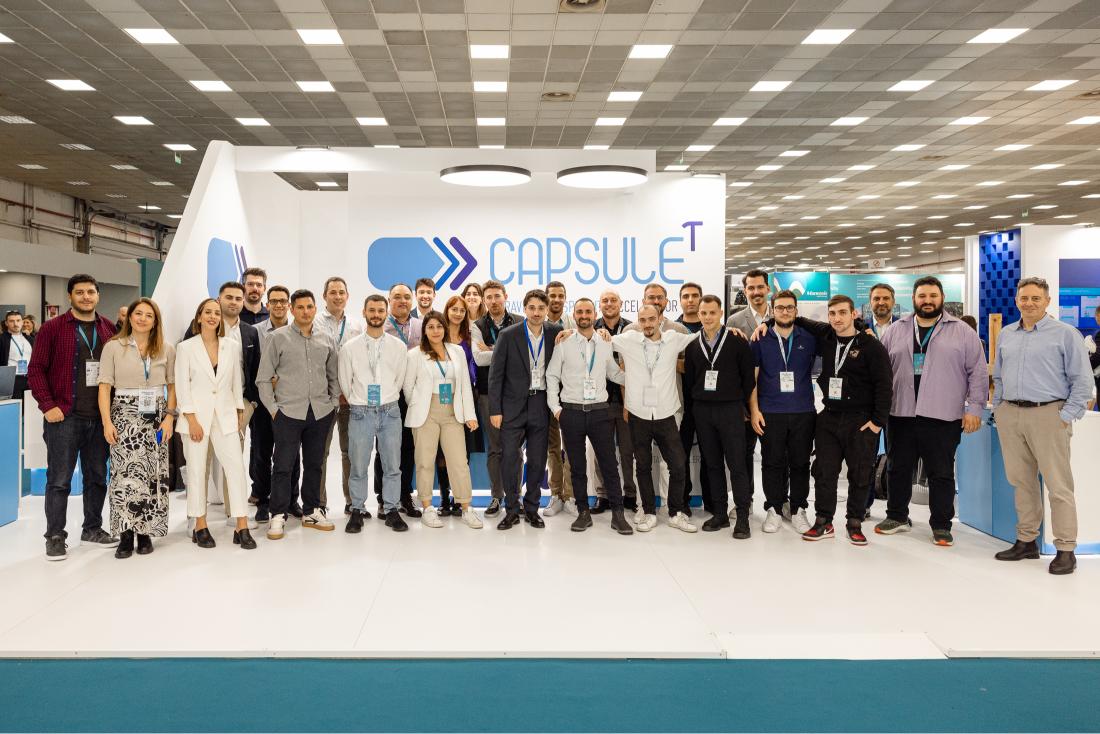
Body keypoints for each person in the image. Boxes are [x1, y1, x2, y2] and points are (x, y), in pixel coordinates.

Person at [876, 276, 987, 546]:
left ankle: (941, 525)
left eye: (933, 296)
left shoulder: (962, 332)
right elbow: (880, 372)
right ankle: (897, 516)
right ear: (913, 299)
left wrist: (974, 408)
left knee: (941, 472)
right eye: (922, 296)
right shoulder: (896, 330)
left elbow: (978, 373)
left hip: (942, 415)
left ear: (942, 298)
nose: (927, 301)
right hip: (901, 412)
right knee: (898, 468)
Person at [992, 277, 1093, 575]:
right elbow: (998, 375)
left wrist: (1066, 415)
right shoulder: (1007, 334)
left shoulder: (1066, 334)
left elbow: (1083, 381)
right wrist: (999, 408)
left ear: (1047, 301)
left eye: (1036, 298)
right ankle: (1027, 541)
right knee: (1021, 482)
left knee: (1058, 486)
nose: (1029, 303)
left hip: (1049, 415)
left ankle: (1066, 548)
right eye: (1024, 298)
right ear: (1016, 301)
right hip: (1012, 414)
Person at [28, 275, 118, 561]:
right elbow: (36, 369)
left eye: (91, 292)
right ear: (70, 296)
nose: (86, 297)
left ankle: (92, 528)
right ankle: (55, 536)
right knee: (59, 480)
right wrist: (47, 405)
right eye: (79, 292)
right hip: (64, 417)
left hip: (99, 418)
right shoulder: (53, 328)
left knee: (97, 477)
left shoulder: (108, 328)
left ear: (98, 295)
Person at [793, 296, 892, 545]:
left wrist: (877, 422)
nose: (837, 318)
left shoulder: (871, 346)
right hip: (829, 417)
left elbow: (884, 385)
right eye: (832, 313)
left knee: (860, 474)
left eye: (842, 313)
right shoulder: (826, 335)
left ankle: (854, 523)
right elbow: (799, 320)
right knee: (824, 472)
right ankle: (823, 522)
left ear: (853, 314)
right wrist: (768, 322)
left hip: (861, 420)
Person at [257, 289, 341, 540]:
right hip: (288, 413)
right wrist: (274, 410)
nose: (305, 311)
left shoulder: (327, 338)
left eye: (309, 307)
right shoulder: (277, 338)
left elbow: (333, 376)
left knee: (315, 464)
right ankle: (278, 514)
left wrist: (333, 404)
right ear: (292, 310)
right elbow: (263, 378)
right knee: (283, 466)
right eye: (300, 307)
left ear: (315, 309)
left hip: (320, 412)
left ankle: (312, 510)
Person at [97, 297, 177, 559]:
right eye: (138, 314)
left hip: (156, 416)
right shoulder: (113, 347)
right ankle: (125, 533)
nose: (143, 319)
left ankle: (145, 532)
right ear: (129, 317)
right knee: (124, 477)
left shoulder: (166, 349)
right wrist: (107, 422)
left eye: (149, 315)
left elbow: (172, 386)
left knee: (153, 475)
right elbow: (104, 387)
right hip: (124, 416)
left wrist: (169, 418)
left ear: (155, 321)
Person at [175, 298, 256, 551]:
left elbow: (235, 381)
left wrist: (239, 409)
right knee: (197, 471)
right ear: (199, 317)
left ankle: (241, 525)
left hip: (226, 416)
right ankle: (200, 525)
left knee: (236, 469)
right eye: (207, 312)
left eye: (216, 313)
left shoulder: (231, 346)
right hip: (196, 420)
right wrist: (191, 419)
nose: (212, 316)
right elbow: (182, 386)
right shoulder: (186, 348)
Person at [546, 298, 631, 534]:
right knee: (577, 466)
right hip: (571, 413)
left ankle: (618, 514)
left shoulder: (605, 342)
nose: (584, 315)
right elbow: (552, 376)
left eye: (588, 311)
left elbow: (614, 373)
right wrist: (556, 408)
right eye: (579, 312)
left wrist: (638, 377)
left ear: (595, 315)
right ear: (574, 315)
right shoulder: (563, 343)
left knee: (609, 465)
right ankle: (583, 512)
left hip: (600, 412)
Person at [613, 305, 698, 532]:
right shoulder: (629, 339)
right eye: (643, 320)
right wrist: (570, 333)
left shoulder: (673, 339)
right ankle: (649, 512)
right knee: (642, 466)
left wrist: (729, 330)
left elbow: (703, 335)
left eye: (652, 319)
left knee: (678, 466)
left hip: (666, 413)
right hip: (639, 414)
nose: (647, 324)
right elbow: (601, 339)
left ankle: (675, 513)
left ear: (660, 319)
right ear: (638, 321)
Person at [488, 289, 562, 530]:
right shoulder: (508, 335)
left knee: (538, 460)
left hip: (541, 404)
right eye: (532, 308)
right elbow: (495, 376)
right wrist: (495, 409)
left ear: (546, 310)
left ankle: (532, 509)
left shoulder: (556, 333)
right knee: (510, 458)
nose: (536, 313)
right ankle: (511, 509)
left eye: (541, 308)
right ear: (525, 309)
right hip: (512, 407)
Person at [684, 295, 756, 538]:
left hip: (730, 409)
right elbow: (690, 380)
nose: (707, 317)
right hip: (703, 411)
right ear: (699, 315)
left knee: (737, 464)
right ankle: (720, 513)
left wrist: (742, 405)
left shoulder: (737, 341)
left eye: (712, 313)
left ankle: (743, 517)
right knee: (712, 464)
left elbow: (748, 378)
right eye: (703, 313)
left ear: (721, 313)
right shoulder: (693, 346)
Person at [404, 311, 482, 529]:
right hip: (426, 413)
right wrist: (418, 405)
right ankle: (427, 508)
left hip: (452, 413)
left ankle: (466, 508)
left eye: (439, 326)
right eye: (430, 327)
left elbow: (465, 384)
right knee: (425, 461)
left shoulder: (457, 351)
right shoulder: (415, 354)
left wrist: (470, 415)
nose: (435, 331)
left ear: (444, 328)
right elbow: (408, 386)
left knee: (459, 462)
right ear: (424, 331)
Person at [339, 294, 410, 533]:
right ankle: (357, 510)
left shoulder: (398, 346)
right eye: (372, 310)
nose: (376, 315)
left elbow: (399, 379)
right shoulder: (350, 348)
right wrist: (359, 401)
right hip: (360, 411)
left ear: (386, 313)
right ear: (364, 312)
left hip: (390, 411)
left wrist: (387, 397)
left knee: (392, 465)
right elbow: (345, 382)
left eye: (381, 310)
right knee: (358, 465)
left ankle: (391, 510)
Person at [749, 290, 816, 535]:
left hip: (803, 411)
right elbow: (752, 379)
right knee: (772, 462)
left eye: (789, 307)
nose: (785, 311)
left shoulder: (809, 338)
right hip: (770, 411)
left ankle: (798, 509)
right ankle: (774, 509)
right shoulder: (760, 338)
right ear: (772, 310)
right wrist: (754, 410)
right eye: (780, 308)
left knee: (800, 463)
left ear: (796, 311)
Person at [314, 276, 365, 514]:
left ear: (347, 296)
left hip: (348, 398)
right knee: (320, 453)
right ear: (324, 296)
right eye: (332, 292)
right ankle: (318, 503)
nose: (337, 296)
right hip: (322, 398)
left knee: (350, 452)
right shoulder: (314, 322)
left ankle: (352, 501)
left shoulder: (356, 324)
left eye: (341, 292)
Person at [471, 280, 521, 516]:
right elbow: (478, 359)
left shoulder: (520, 321)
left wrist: (492, 349)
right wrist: (507, 351)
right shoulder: (477, 325)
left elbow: (524, 356)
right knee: (495, 448)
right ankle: (496, 496)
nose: (493, 301)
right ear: (484, 300)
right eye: (488, 297)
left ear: (505, 296)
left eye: (497, 296)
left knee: (516, 448)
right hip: (488, 394)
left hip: (516, 394)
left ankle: (515, 496)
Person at [251, 285, 300, 520]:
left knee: (292, 454)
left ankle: (291, 500)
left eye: (283, 301)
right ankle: (262, 500)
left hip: (291, 402)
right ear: (267, 304)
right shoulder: (255, 332)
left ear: (289, 305)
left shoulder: (298, 330)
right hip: (264, 402)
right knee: (261, 452)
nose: (278, 305)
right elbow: (251, 365)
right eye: (274, 301)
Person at [725, 269, 770, 515]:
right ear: (745, 291)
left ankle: (777, 502)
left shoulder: (782, 314)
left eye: (760, 287)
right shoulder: (734, 321)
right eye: (751, 288)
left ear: (768, 288)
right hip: (745, 401)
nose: (756, 292)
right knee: (743, 454)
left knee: (776, 455)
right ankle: (745, 500)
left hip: (775, 398)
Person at [378, 283, 423, 518]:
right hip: (387, 395)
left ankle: (405, 495)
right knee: (384, 448)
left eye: (407, 297)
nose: (402, 301)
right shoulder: (380, 326)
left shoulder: (421, 326)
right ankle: (382, 498)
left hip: (413, 395)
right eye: (397, 296)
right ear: (389, 300)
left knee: (408, 447)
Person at [436, 295, 483, 516]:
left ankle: (459, 498)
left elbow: (478, 361)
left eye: (462, 310)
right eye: (453, 309)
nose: (457, 313)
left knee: (462, 451)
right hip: (441, 396)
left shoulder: (470, 336)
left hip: (466, 395)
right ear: (447, 311)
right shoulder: (438, 334)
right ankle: (445, 499)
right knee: (441, 452)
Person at [593, 289, 637, 513]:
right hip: (599, 399)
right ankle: (604, 496)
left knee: (628, 451)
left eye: (613, 300)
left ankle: (630, 494)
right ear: (599, 305)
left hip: (627, 400)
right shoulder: (590, 328)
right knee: (602, 452)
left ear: (621, 303)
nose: (609, 304)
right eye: (605, 300)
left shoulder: (632, 329)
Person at [674, 282, 708, 516]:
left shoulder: (713, 328)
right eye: (686, 296)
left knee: (710, 454)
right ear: (680, 301)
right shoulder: (672, 329)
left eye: (695, 296)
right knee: (681, 455)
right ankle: (682, 500)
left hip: (708, 402)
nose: (691, 300)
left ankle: (712, 500)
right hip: (682, 402)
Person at [542, 280, 575, 517]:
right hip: (546, 393)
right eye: (552, 295)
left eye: (560, 295)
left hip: (572, 393)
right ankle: (555, 494)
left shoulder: (574, 323)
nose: (556, 299)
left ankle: (570, 495)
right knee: (552, 447)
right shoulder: (537, 325)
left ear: (565, 298)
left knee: (572, 446)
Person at [2, 310, 33, 400]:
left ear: (22, 322)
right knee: (14, 406)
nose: (15, 324)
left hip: (30, 378)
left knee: (30, 406)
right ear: (6, 323)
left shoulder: (30, 339)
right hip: (11, 380)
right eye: (12, 321)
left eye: (18, 320)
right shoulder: (2, 340)